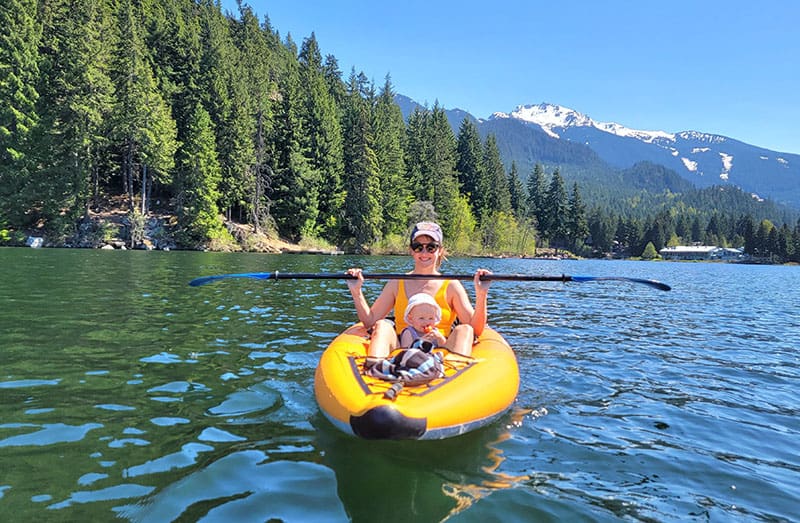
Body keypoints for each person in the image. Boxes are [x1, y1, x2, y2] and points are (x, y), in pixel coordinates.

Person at [346, 221, 492, 358]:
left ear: (440, 251)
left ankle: (455, 376)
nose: (424, 253)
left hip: (442, 352)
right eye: (418, 247)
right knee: (382, 326)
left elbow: (476, 330)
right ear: (411, 250)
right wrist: (356, 291)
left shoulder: (451, 285)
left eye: (431, 247)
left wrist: (481, 294)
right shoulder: (397, 283)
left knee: (464, 330)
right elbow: (370, 321)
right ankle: (376, 367)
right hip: (403, 348)